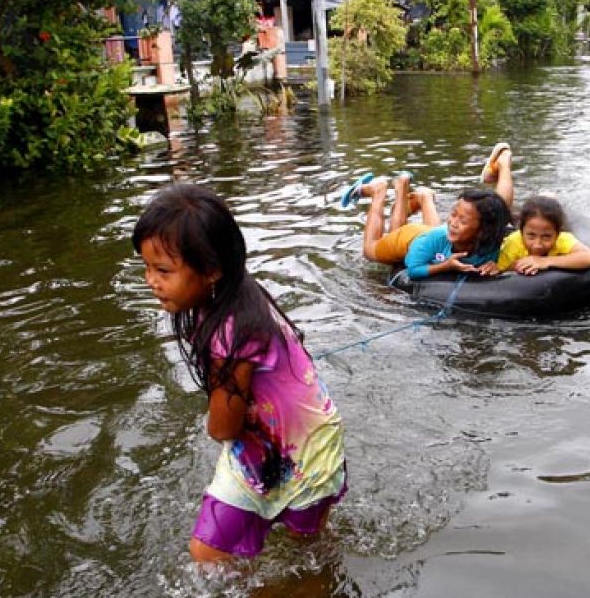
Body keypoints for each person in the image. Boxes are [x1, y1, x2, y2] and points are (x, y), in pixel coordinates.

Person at [133, 183, 346, 562]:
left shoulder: (231, 330)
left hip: (305, 450)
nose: (151, 280)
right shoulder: (230, 295)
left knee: (301, 552)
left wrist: (219, 415)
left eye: (163, 270)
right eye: (146, 267)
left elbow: (222, 428)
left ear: (211, 270)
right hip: (274, 441)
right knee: (218, 553)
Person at [338, 145, 513, 280]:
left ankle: (421, 195)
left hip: (431, 237)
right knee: (371, 250)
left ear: (483, 231)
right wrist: (444, 266)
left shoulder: (491, 241)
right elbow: (413, 269)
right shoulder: (437, 238)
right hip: (408, 239)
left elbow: (501, 207)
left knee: (438, 236)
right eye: (453, 214)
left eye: (463, 220)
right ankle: (378, 191)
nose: (453, 222)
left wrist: (499, 266)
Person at [496, 195, 590, 275]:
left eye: (546, 237)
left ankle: (549, 196)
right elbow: (498, 271)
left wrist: (545, 261)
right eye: (531, 235)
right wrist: (514, 267)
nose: (537, 244)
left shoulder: (562, 239)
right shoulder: (513, 242)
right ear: (521, 232)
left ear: (557, 233)